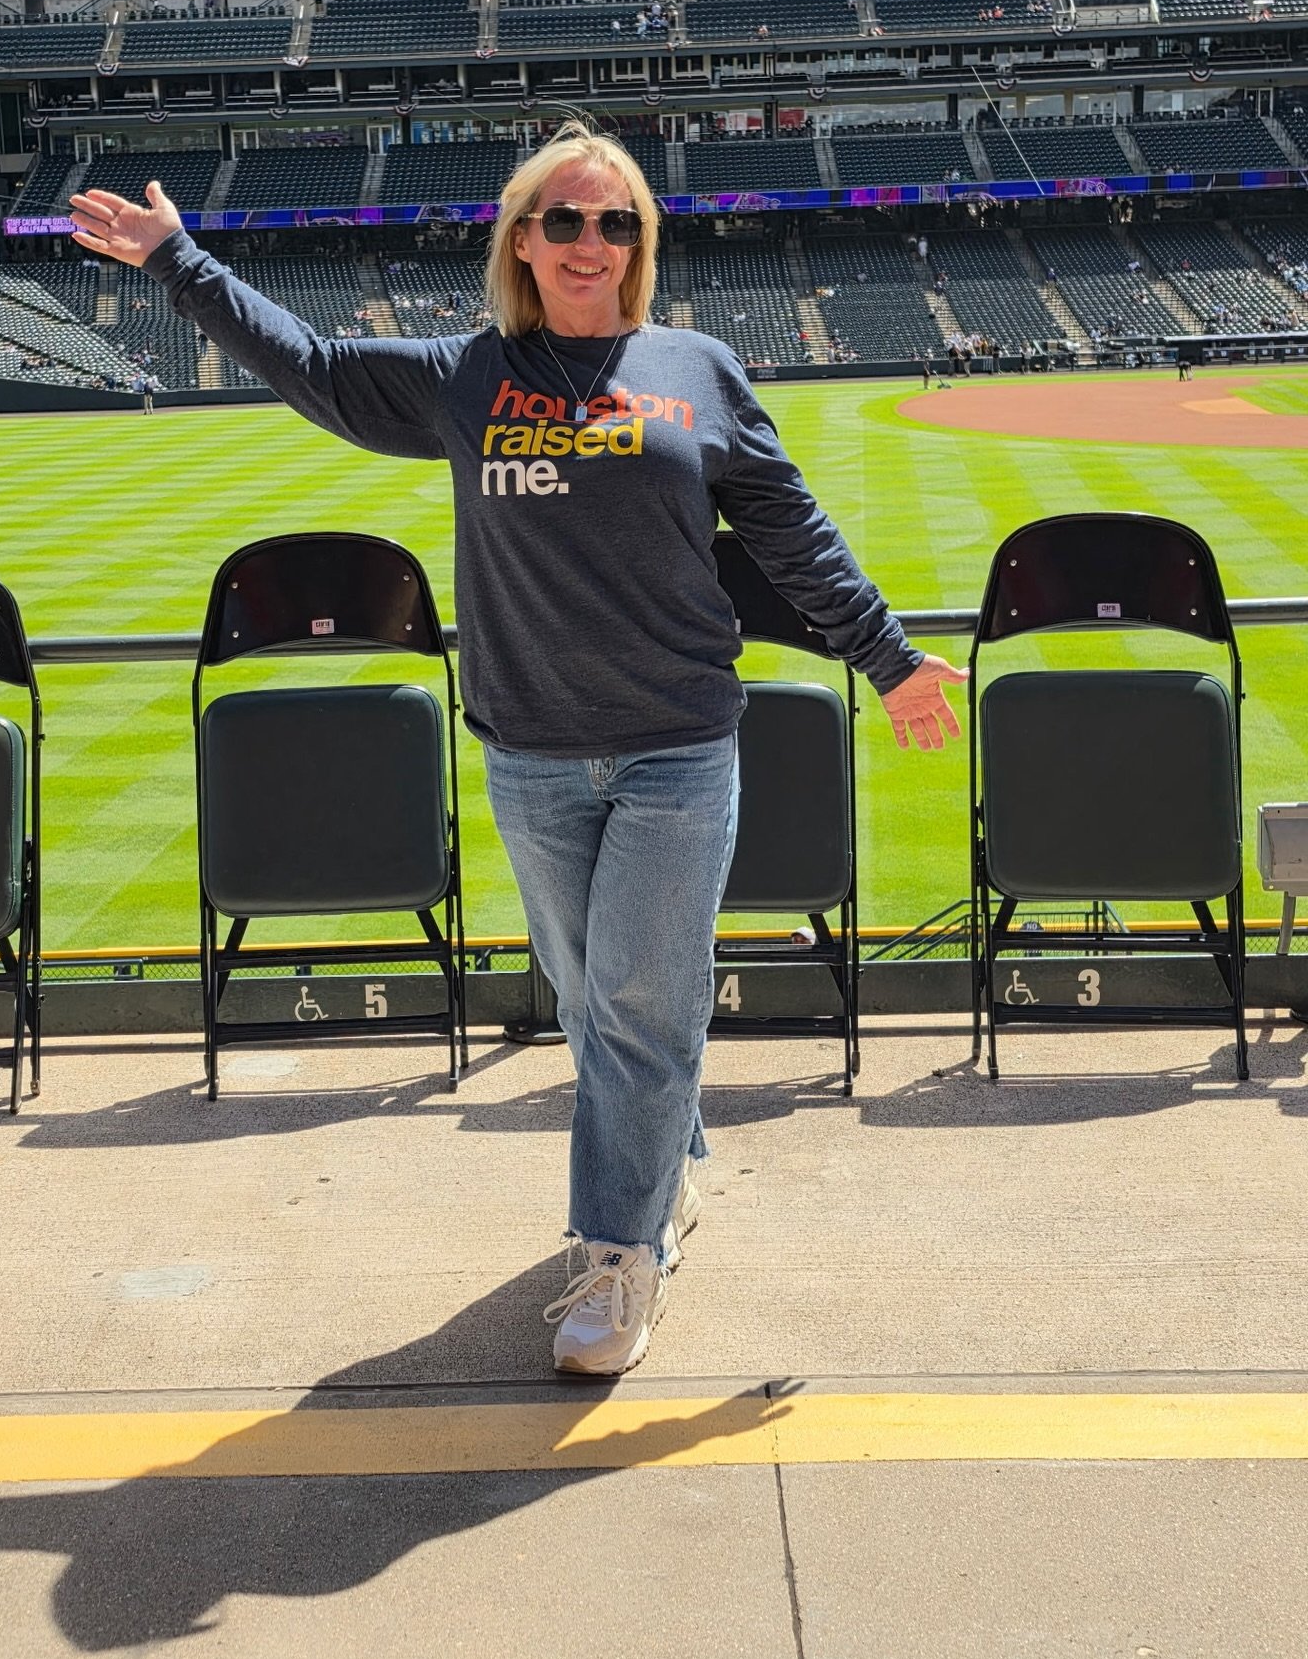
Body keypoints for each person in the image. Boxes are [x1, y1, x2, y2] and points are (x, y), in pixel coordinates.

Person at [67, 122, 965, 1381]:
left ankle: (615, 1257)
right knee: (601, 1007)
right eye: (564, 220)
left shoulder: (697, 369)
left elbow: (791, 530)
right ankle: (670, 1169)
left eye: (616, 223)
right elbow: (316, 365)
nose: (589, 243)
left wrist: (890, 657)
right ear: (523, 241)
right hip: (533, 751)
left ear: (641, 245)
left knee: (642, 1008)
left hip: (677, 745)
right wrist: (181, 262)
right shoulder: (466, 376)